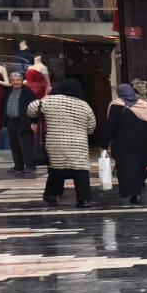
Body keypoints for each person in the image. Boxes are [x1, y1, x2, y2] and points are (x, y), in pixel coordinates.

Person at [28, 77, 96, 208]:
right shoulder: (84, 105)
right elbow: (91, 127)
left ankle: (50, 195)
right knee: (80, 171)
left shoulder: (49, 101)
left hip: (55, 142)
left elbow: (31, 108)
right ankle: (84, 199)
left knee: (56, 169)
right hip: (78, 144)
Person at [101, 83, 147, 206]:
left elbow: (109, 127)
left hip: (123, 145)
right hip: (143, 144)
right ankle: (137, 192)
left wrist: (104, 144)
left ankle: (133, 193)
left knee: (127, 170)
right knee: (140, 169)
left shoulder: (116, 106)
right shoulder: (144, 105)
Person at [3, 71, 39, 176]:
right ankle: (18, 165)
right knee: (14, 145)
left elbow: (35, 107)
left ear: (22, 81)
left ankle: (30, 166)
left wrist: (33, 122)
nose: (15, 82)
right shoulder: (8, 91)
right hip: (11, 121)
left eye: (18, 80)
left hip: (24, 121)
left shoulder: (28, 92)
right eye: (13, 80)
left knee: (26, 145)